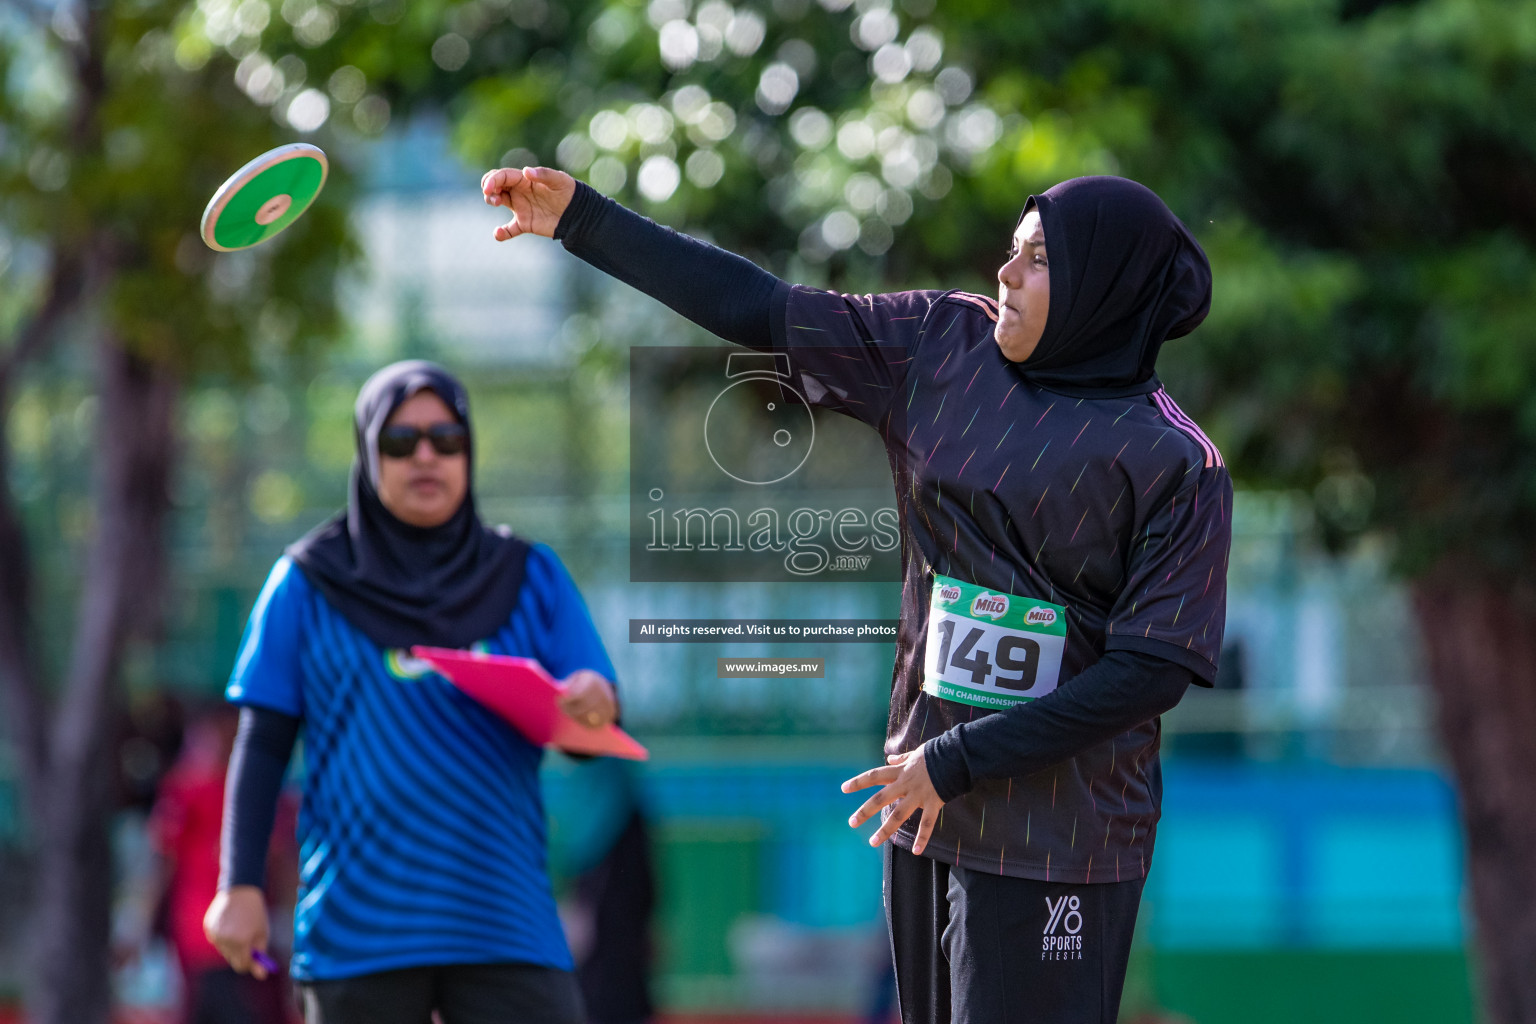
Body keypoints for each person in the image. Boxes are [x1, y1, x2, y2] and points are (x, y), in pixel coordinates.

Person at [480, 165, 1231, 1024]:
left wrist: (959, 760)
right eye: (1010, 253)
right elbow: (760, 307)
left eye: (1037, 262)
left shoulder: (1178, 464)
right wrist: (583, 219)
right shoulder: (942, 346)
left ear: (1106, 285)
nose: (1006, 274)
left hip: (1058, 841)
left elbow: (1147, 674)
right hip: (922, 812)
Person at [202, 361, 619, 1024]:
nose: (426, 456)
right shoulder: (305, 582)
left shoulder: (529, 575)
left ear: (468, 451)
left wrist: (594, 699)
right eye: (401, 442)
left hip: (505, 925)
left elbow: (593, 726)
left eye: (446, 439)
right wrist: (239, 885)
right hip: (357, 933)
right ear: (369, 452)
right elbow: (262, 746)